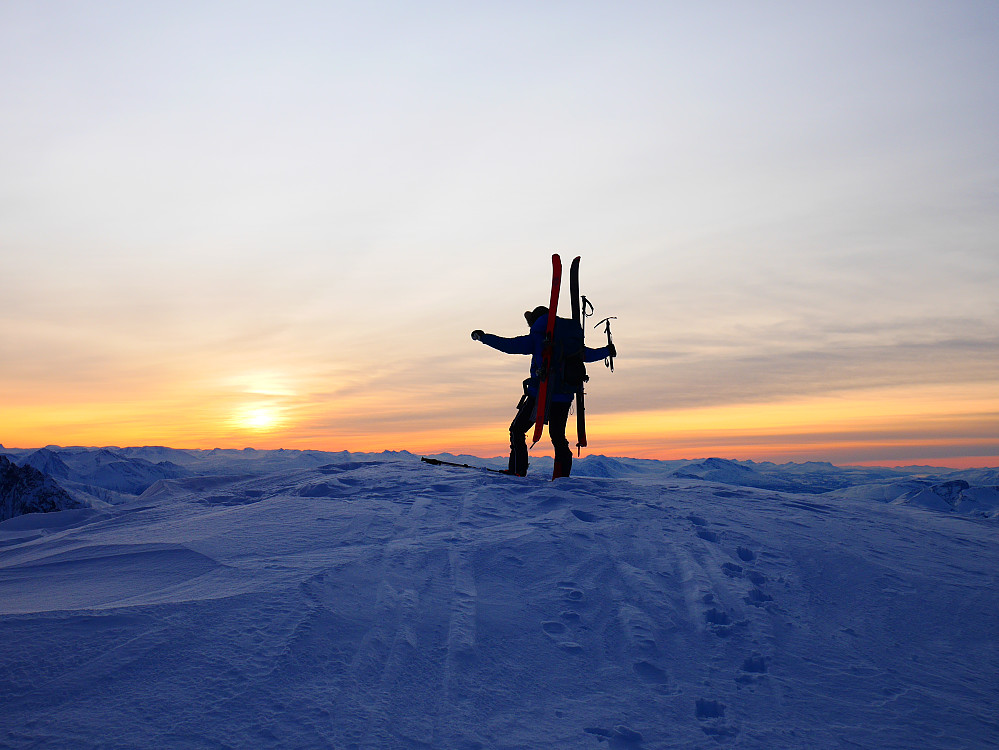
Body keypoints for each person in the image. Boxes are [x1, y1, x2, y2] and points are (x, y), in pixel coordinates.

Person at [471, 305, 616, 479]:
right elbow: (587, 355)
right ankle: (562, 477)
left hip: (540, 393)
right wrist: (607, 351)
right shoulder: (567, 341)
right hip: (564, 395)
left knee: (517, 430)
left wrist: (484, 337)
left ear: (535, 321)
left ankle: (518, 470)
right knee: (557, 436)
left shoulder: (538, 337)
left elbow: (509, 345)